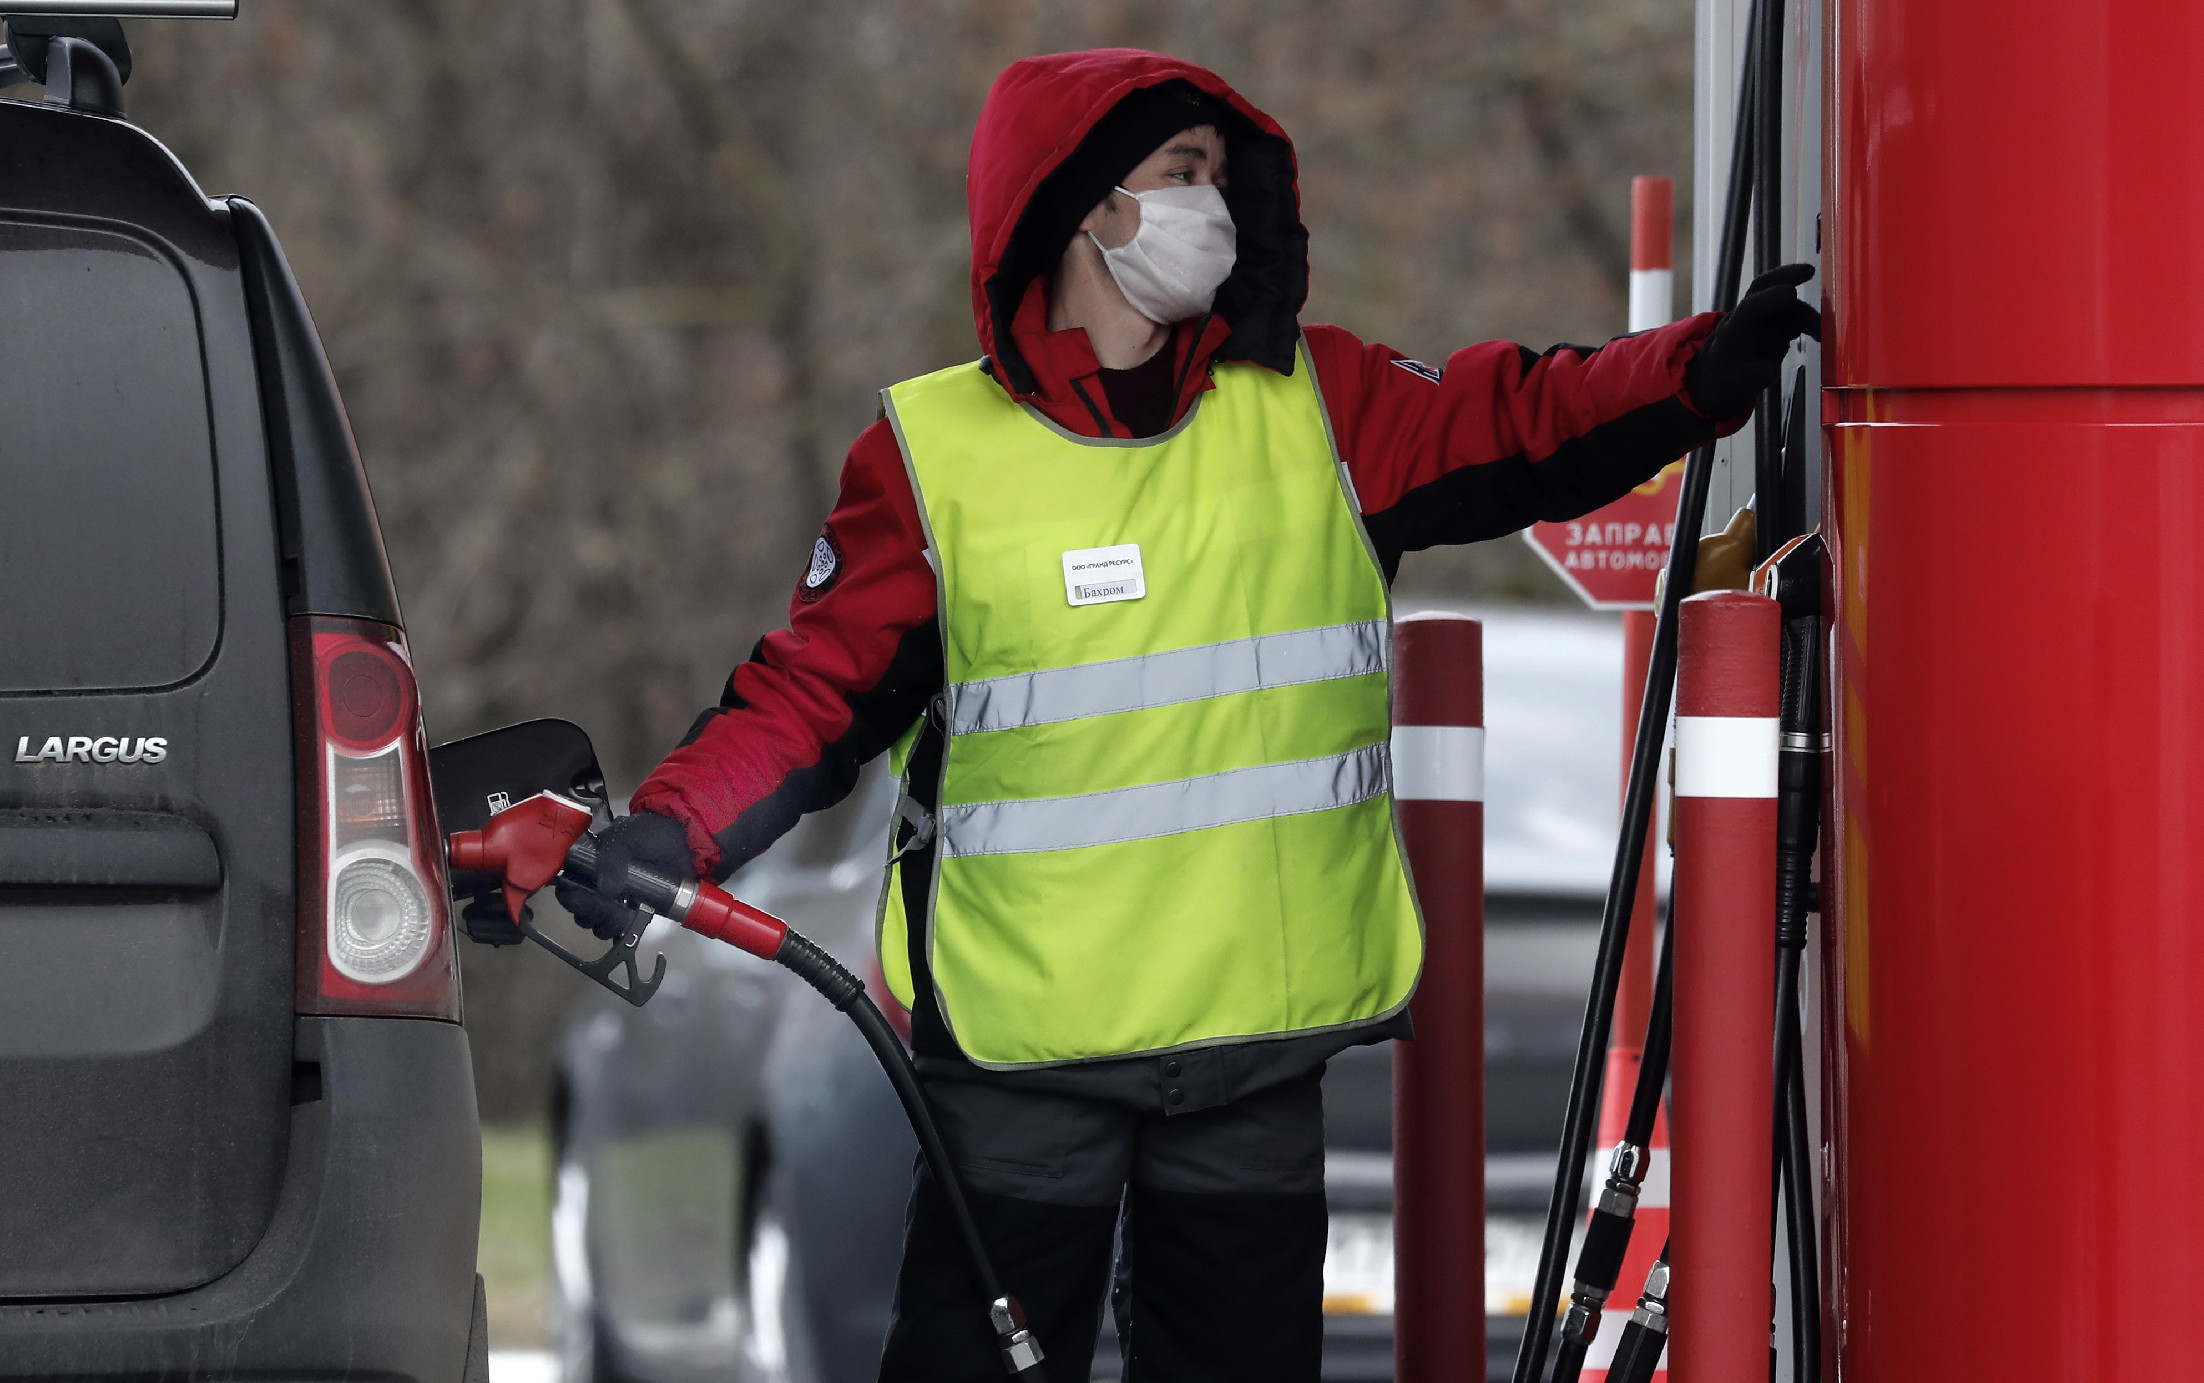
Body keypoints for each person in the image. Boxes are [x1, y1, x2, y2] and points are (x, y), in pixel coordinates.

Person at [559, 47, 1817, 1383]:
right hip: (1026, 1065)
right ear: (1088, 207)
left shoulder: (1323, 407)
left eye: (1218, 176)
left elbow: (1528, 419)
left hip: (1249, 1064)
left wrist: (1697, 372)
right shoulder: (936, 460)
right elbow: (812, 696)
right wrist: (672, 832)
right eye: (1180, 175)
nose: (1212, 206)